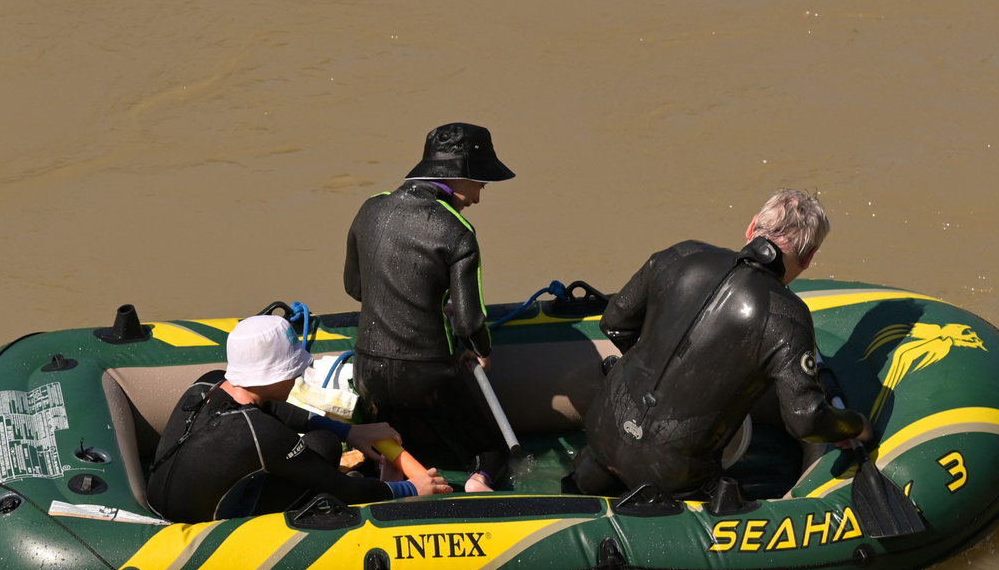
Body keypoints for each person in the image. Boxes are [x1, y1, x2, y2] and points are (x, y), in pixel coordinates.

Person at [569, 188, 869, 499]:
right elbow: (806, 421)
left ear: (752, 227)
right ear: (808, 259)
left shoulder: (682, 254)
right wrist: (856, 425)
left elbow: (614, 323)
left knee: (585, 482)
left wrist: (653, 374)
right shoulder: (787, 317)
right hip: (676, 475)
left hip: (602, 429)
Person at [147, 314, 455, 524]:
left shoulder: (210, 382)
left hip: (163, 502)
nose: (297, 376)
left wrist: (351, 432)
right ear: (272, 375)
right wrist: (414, 489)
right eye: (293, 370)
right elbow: (344, 491)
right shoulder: (256, 434)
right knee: (323, 461)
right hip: (203, 530)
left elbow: (275, 410)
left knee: (325, 442)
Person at [342, 123, 514, 493]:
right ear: (459, 177)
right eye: (481, 184)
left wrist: (428, 303)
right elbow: (470, 323)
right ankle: (478, 487)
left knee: (401, 438)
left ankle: (391, 469)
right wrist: (482, 353)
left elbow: (355, 288)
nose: (478, 198)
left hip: (368, 371)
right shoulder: (457, 230)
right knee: (492, 451)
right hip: (426, 378)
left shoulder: (370, 208)